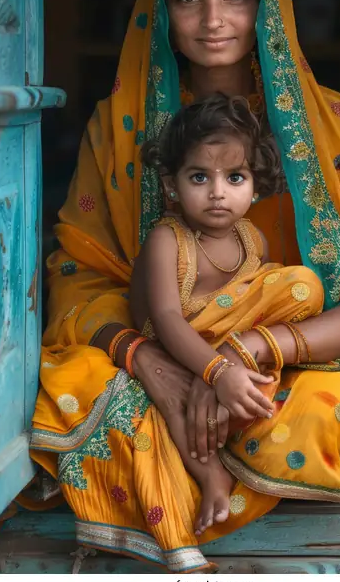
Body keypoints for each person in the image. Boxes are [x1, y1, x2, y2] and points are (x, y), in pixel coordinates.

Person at [30, 0, 340, 573]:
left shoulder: (338, 127)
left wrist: (259, 348)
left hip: (296, 368)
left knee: (330, 416)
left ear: (269, 6)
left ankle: (182, 499)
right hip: (156, 357)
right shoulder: (119, 129)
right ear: (162, 10)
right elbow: (79, 273)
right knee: (73, 391)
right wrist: (157, 364)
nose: (213, 18)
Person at [129, 93, 325, 535]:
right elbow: (166, 319)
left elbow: (258, 306)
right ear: (171, 185)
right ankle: (210, 474)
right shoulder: (168, 240)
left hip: (226, 354)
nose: (218, 192)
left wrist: (230, 367)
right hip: (174, 350)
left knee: (301, 285)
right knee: (175, 406)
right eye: (200, 176)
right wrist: (217, 371)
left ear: (256, 185)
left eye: (234, 177)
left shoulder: (252, 240)